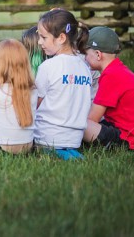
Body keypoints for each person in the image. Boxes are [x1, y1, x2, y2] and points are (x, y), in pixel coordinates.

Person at [82, 26, 134, 151]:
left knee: (79, 124)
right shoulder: (117, 70)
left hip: (132, 141)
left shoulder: (111, 76)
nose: (84, 58)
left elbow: (92, 119)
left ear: (97, 54)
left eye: (86, 54)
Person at [33, 9, 92, 159]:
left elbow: (35, 104)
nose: (39, 42)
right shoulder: (84, 67)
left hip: (45, 137)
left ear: (61, 38)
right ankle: (66, 152)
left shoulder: (48, 66)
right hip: (74, 139)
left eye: (43, 37)